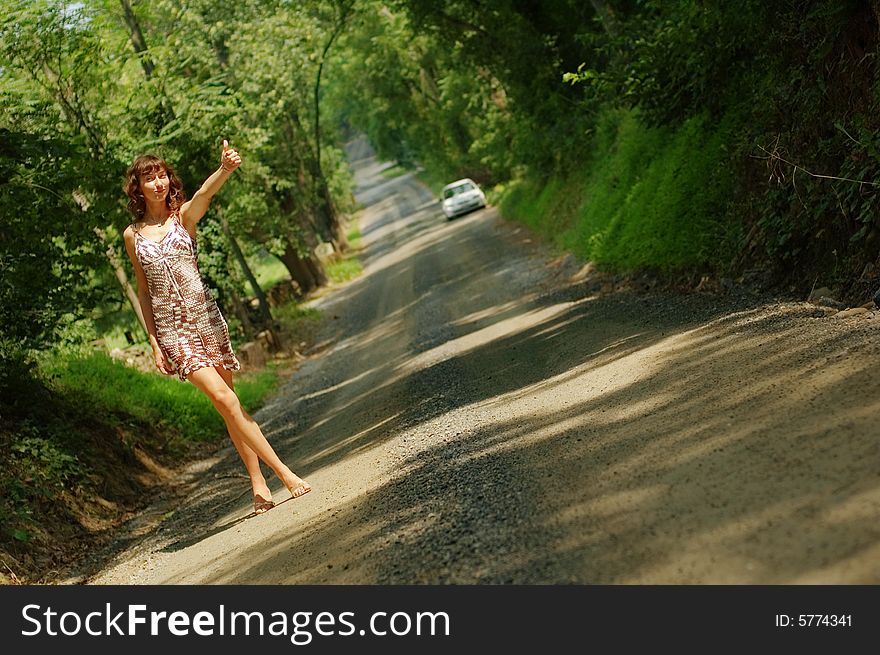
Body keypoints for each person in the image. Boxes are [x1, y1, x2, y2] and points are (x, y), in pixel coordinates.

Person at [122, 139, 311, 515]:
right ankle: (285, 474)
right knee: (225, 401)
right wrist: (154, 342)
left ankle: (257, 482)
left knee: (231, 406)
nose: (158, 182)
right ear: (138, 187)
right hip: (175, 333)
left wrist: (225, 168)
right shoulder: (133, 236)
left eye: (162, 175)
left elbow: (204, 195)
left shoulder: (183, 219)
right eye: (149, 177)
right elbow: (143, 291)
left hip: (207, 319)